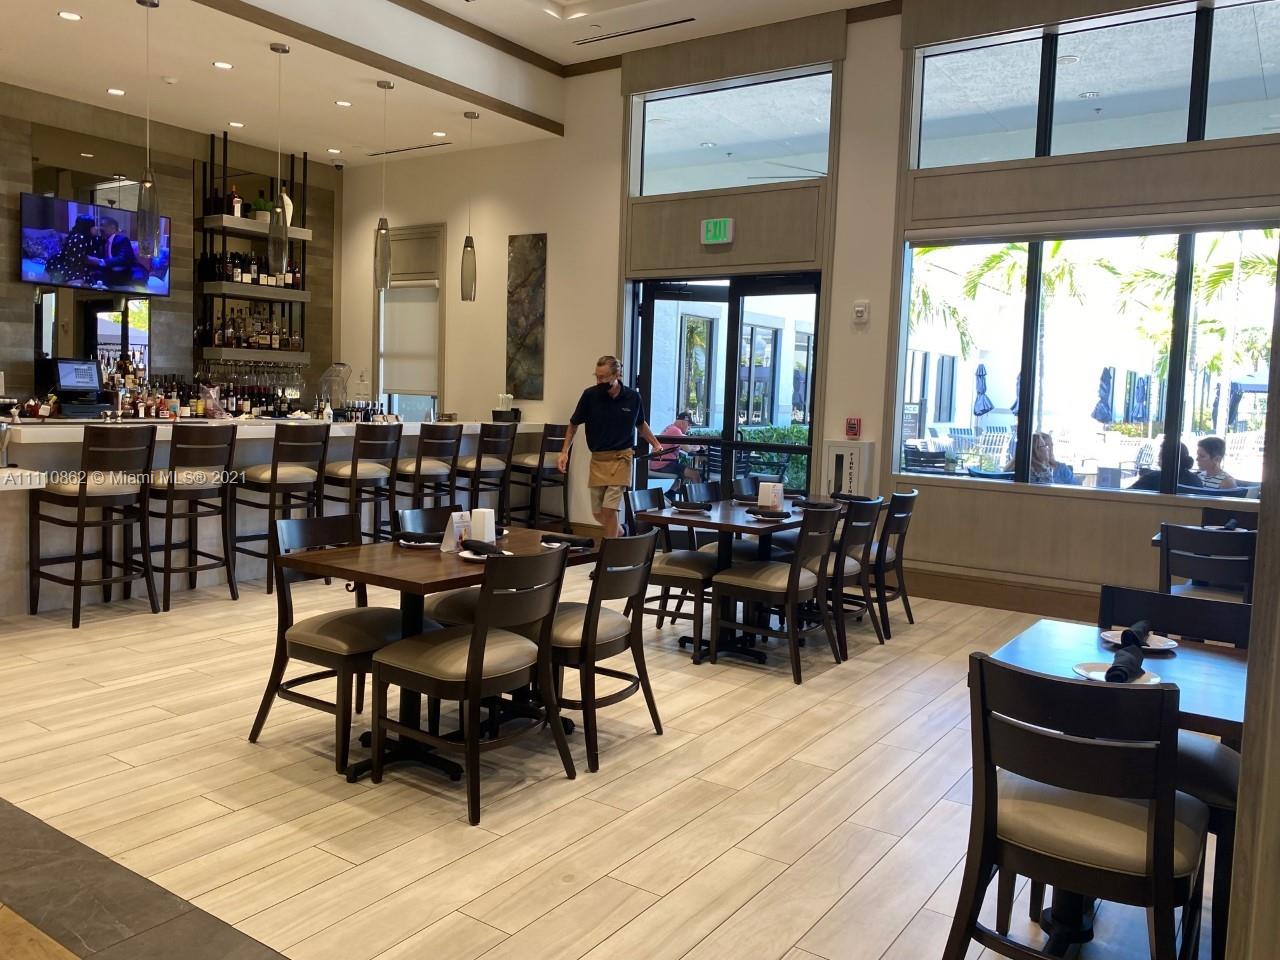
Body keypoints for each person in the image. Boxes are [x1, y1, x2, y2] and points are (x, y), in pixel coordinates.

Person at [558, 356, 663, 539]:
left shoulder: (632, 397)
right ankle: (621, 532)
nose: (599, 381)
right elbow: (573, 424)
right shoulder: (590, 396)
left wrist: (656, 444)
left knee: (609, 509)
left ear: (617, 374)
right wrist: (564, 451)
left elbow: (640, 424)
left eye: (604, 377)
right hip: (598, 459)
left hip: (621, 458)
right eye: (597, 377)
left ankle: (609, 558)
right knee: (597, 513)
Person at [649, 410, 703, 491]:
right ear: (683, 423)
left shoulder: (670, 428)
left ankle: (670, 497)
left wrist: (694, 445)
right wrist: (698, 447)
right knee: (695, 474)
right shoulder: (675, 431)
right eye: (689, 425)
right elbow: (687, 449)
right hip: (663, 464)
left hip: (658, 462)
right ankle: (699, 500)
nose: (689, 428)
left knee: (679, 481)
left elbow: (685, 442)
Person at [45, 214, 97, 287]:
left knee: (89, 280)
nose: (96, 228)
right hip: (66, 264)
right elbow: (76, 260)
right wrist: (95, 260)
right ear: (87, 227)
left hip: (74, 264)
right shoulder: (79, 238)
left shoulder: (87, 237)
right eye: (93, 226)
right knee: (85, 282)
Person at [89, 216, 143, 288]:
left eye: (102, 225)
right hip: (110, 273)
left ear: (113, 228)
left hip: (125, 272)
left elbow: (123, 259)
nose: (99, 228)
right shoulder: (102, 241)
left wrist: (100, 261)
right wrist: (92, 234)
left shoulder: (122, 239)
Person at [1005, 432, 1074, 484]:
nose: (1049, 449)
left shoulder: (1062, 468)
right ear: (1035, 450)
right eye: (1045, 445)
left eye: (1051, 445)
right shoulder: (1041, 472)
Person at [1129, 442, 1201, 491]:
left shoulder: (1153, 478)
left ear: (1168, 458)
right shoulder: (1195, 480)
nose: (1158, 456)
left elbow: (1127, 495)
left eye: (1160, 454)